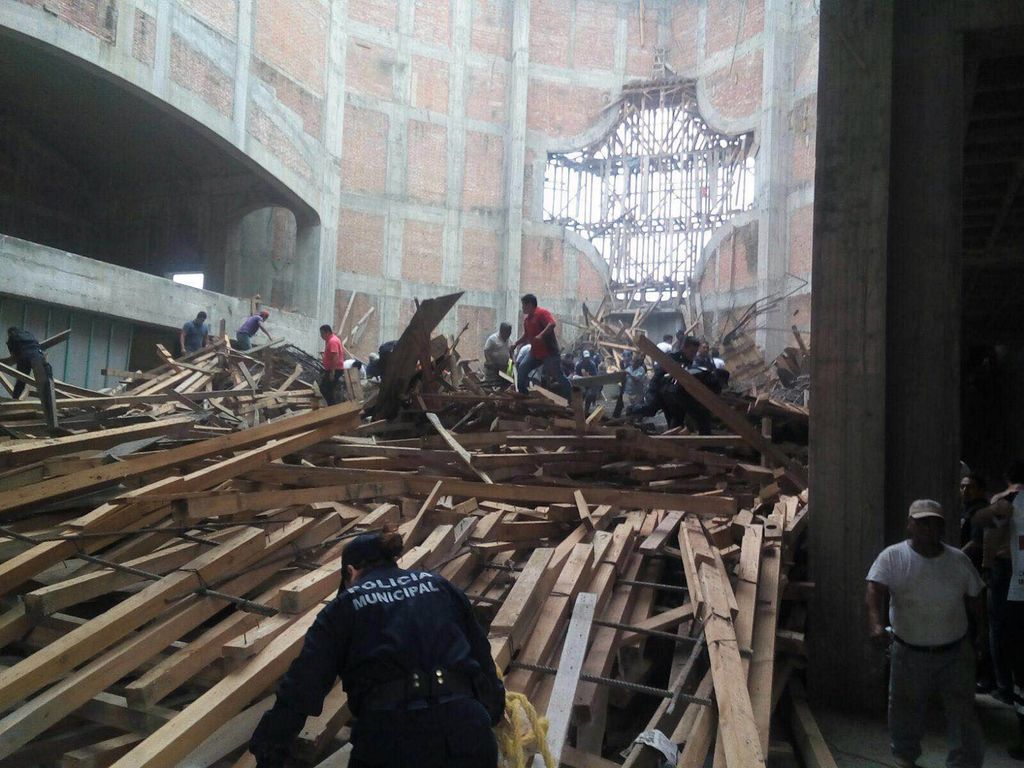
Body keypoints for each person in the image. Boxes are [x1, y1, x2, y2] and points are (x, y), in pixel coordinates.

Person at [249, 532, 505, 768]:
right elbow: (482, 656)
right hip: (466, 731)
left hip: (391, 739)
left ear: (350, 572)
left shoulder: (343, 608)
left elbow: (303, 688)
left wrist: (270, 746)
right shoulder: (440, 586)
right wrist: (491, 713)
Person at [865, 499, 985, 768]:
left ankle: (964, 763)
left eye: (934, 523)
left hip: (954, 652)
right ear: (910, 524)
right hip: (909, 651)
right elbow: (874, 589)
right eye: (921, 522)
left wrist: (981, 636)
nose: (928, 528)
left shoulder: (958, 560)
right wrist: (875, 624)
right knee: (904, 709)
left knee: (962, 713)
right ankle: (906, 759)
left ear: (942, 527)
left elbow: (977, 598)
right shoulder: (893, 556)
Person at [970, 461, 1024, 733]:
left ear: (1007, 477)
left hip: (1005, 570)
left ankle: (1003, 685)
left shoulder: (1005, 501)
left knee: (998, 629)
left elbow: (986, 529)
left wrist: (986, 566)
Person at [511, 294, 571, 399]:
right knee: (522, 370)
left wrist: (541, 335)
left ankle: (569, 398)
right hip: (535, 353)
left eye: (523, 305)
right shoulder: (527, 320)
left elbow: (552, 324)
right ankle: (523, 397)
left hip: (549, 353)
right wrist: (515, 343)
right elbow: (526, 335)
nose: (522, 308)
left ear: (529, 305)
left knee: (558, 376)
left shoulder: (542, 313)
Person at [5, 327, 50, 401]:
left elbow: (13, 356)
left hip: (24, 357)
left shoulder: (12, 338)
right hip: (38, 355)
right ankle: (47, 400)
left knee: (21, 380)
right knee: (45, 379)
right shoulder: (28, 334)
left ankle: (14, 400)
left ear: (10, 333)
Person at [319, 324, 346, 406]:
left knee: (325, 389)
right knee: (327, 388)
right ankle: (331, 406)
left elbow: (335, 356)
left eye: (322, 334)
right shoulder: (331, 340)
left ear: (327, 333)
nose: (321, 336)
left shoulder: (332, 341)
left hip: (335, 369)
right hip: (333, 369)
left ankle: (332, 407)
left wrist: (332, 372)